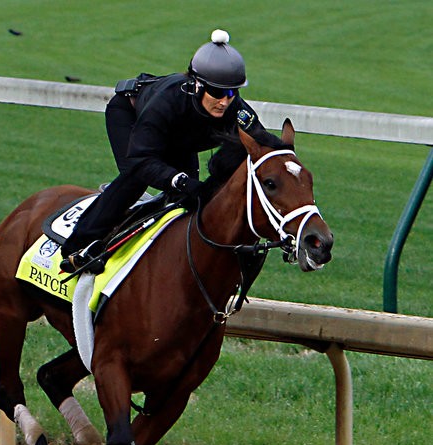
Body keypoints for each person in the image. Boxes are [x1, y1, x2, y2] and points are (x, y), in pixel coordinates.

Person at [60, 29, 282, 274]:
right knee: (136, 178)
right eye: (218, 92)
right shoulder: (166, 102)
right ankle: (79, 245)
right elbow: (142, 160)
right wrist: (179, 180)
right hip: (131, 116)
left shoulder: (234, 108)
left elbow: (263, 143)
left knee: (192, 200)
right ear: (197, 86)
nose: (225, 101)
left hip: (179, 139)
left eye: (232, 92)